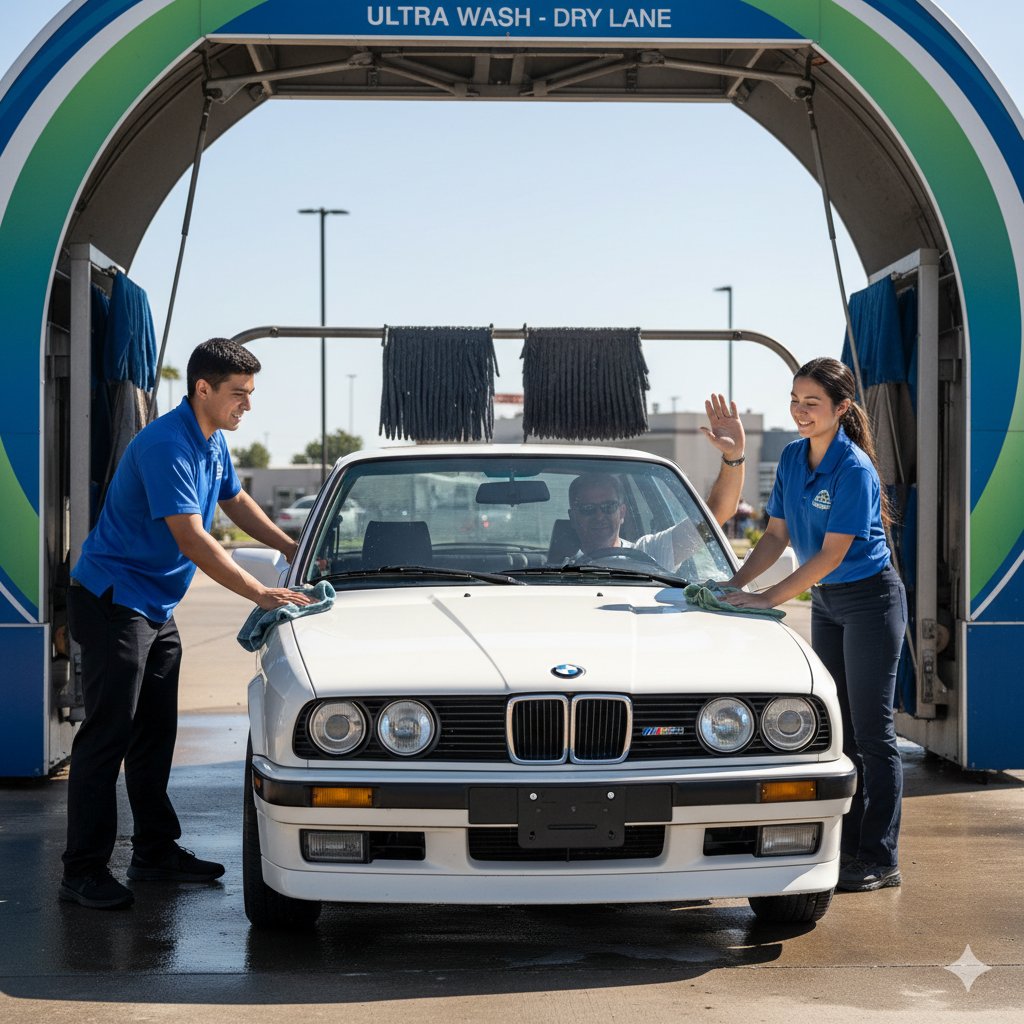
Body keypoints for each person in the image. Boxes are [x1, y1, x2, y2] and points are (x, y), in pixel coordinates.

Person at [60, 338, 314, 911]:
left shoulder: (212, 440)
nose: (247, 405)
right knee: (107, 734)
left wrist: (292, 546)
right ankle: (81, 871)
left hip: (154, 606)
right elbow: (193, 540)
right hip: (113, 602)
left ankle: (154, 853)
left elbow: (235, 501)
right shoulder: (166, 445)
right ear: (203, 388)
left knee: (155, 733)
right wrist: (260, 593)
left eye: (250, 393)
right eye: (239, 393)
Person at [722, 357, 907, 893]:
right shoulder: (791, 457)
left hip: (870, 601)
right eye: (795, 401)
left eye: (812, 403)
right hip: (828, 603)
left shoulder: (854, 468)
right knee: (840, 729)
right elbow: (775, 537)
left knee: (873, 733)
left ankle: (880, 857)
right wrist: (733, 585)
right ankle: (846, 848)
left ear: (841, 408)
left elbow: (830, 555)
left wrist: (767, 598)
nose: (800, 412)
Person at [568, 393, 748, 567]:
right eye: (588, 509)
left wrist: (733, 455)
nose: (600, 516)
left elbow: (716, 514)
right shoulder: (556, 569)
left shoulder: (650, 554)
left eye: (608, 507)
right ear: (573, 517)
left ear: (622, 512)